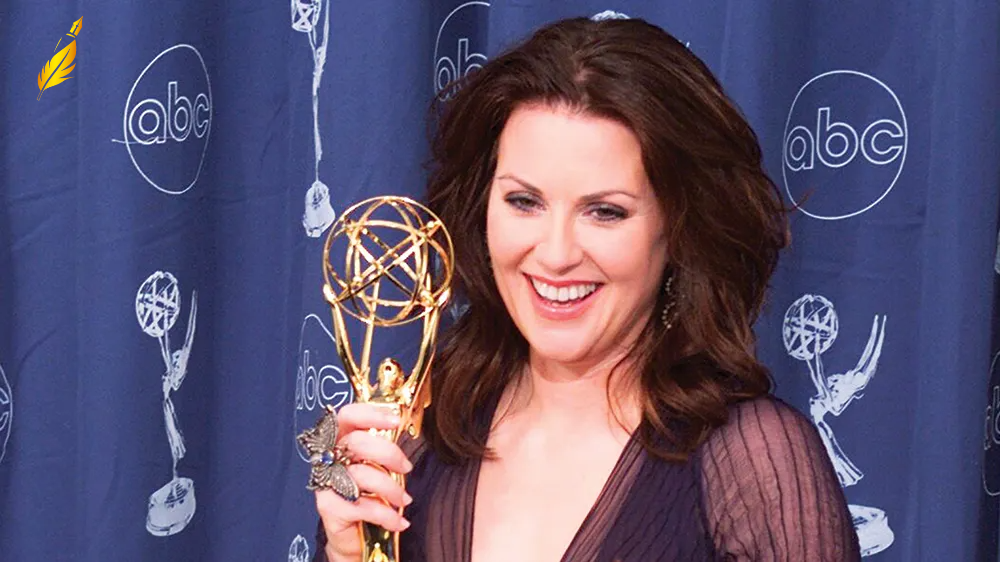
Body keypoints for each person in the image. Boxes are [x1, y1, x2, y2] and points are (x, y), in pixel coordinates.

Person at [309, 15, 861, 562]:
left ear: (677, 228)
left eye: (605, 212)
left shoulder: (751, 463)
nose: (555, 254)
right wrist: (347, 556)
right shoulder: (424, 434)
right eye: (524, 202)